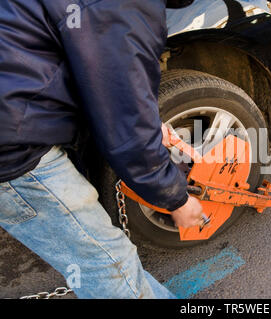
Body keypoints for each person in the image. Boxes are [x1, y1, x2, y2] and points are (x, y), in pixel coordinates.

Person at [0, 0, 202, 298]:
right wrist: (176, 198)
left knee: (108, 261)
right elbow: (126, 120)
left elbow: (91, 76)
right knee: (107, 265)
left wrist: (143, 123)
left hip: (13, 123)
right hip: (14, 149)